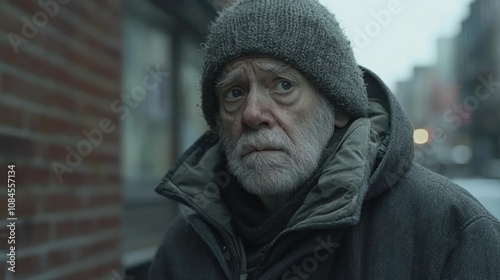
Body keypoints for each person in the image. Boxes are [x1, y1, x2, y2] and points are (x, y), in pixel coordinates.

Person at [149, 0, 500, 279]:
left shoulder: (450, 232)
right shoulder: (184, 248)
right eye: (234, 93)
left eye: (283, 86)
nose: (252, 114)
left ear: (338, 108)